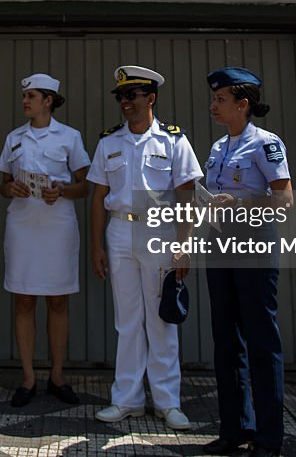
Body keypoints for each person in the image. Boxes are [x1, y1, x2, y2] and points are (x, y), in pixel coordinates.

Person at [88, 65, 201, 431]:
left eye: (132, 96)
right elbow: (98, 196)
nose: (125, 102)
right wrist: (97, 247)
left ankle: (168, 402)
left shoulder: (173, 141)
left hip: (160, 233)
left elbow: (186, 195)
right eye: (121, 96)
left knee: (161, 320)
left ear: (150, 98)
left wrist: (184, 245)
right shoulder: (109, 142)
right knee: (128, 322)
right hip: (120, 232)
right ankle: (127, 399)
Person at [201, 67, 293, 457]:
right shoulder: (218, 148)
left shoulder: (266, 144)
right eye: (214, 99)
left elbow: (285, 200)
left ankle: (269, 437)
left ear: (243, 104)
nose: (213, 106)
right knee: (226, 340)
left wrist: (240, 204)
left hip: (254, 247)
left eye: (220, 100)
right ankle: (234, 428)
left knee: (260, 340)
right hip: (220, 249)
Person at [0, 73, 89, 407]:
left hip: (57, 227)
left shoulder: (69, 137)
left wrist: (62, 190)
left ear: (48, 100)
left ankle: (58, 376)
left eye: (32, 96)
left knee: (58, 301)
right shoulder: (14, 138)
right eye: (25, 96)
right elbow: (3, 183)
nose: (25, 101)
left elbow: (85, 185)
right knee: (23, 300)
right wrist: (11, 188)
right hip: (23, 227)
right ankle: (27, 378)